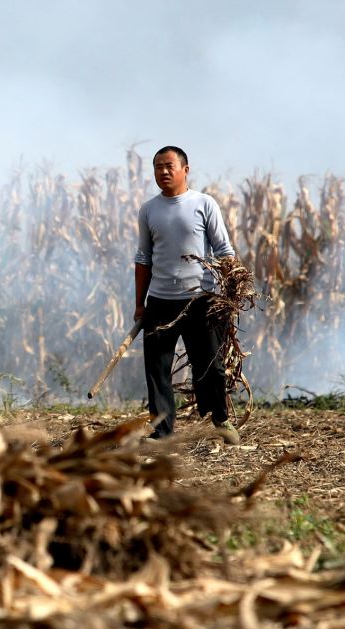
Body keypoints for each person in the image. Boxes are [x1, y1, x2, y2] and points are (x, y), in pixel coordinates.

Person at [134, 146, 239, 442]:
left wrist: (229, 288)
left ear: (185, 169)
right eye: (157, 167)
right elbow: (143, 258)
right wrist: (139, 304)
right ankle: (162, 431)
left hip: (200, 300)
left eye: (169, 166)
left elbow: (223, 250)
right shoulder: (149, 210)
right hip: (160, 302)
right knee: (157, 371)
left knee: (210, 367)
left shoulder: (203, 204)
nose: (163, 172)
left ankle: (220, 420)